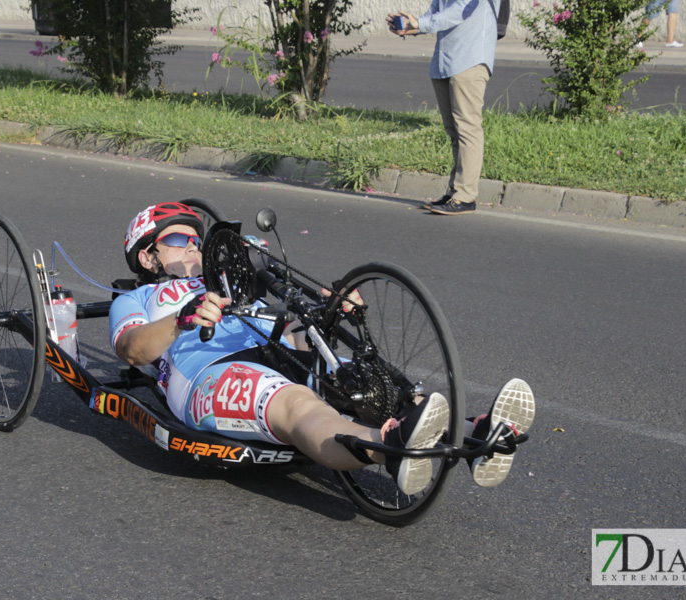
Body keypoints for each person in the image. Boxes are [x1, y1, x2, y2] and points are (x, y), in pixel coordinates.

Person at [108, 202, 536, 493]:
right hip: (209, 371)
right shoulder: (137, 300)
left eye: (197, 240)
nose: (195, 248)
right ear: (148, 257)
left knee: (367, 379)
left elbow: (287, 299)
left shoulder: (227, 278)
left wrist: (331, 305)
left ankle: (475, 432)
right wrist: (182, 318)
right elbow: (131, 349)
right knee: (296, 405)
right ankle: (387, 445)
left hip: (277, 348)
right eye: (181, 242)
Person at [388, 1, 502, 216]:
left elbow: (461, 10)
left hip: (470, 59)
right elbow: (437, 11)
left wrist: (420, 23)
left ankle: (466, 196)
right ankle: (456, 191)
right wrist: (411, 27)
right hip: (445, 60)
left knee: (468, 129)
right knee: (454, 131)